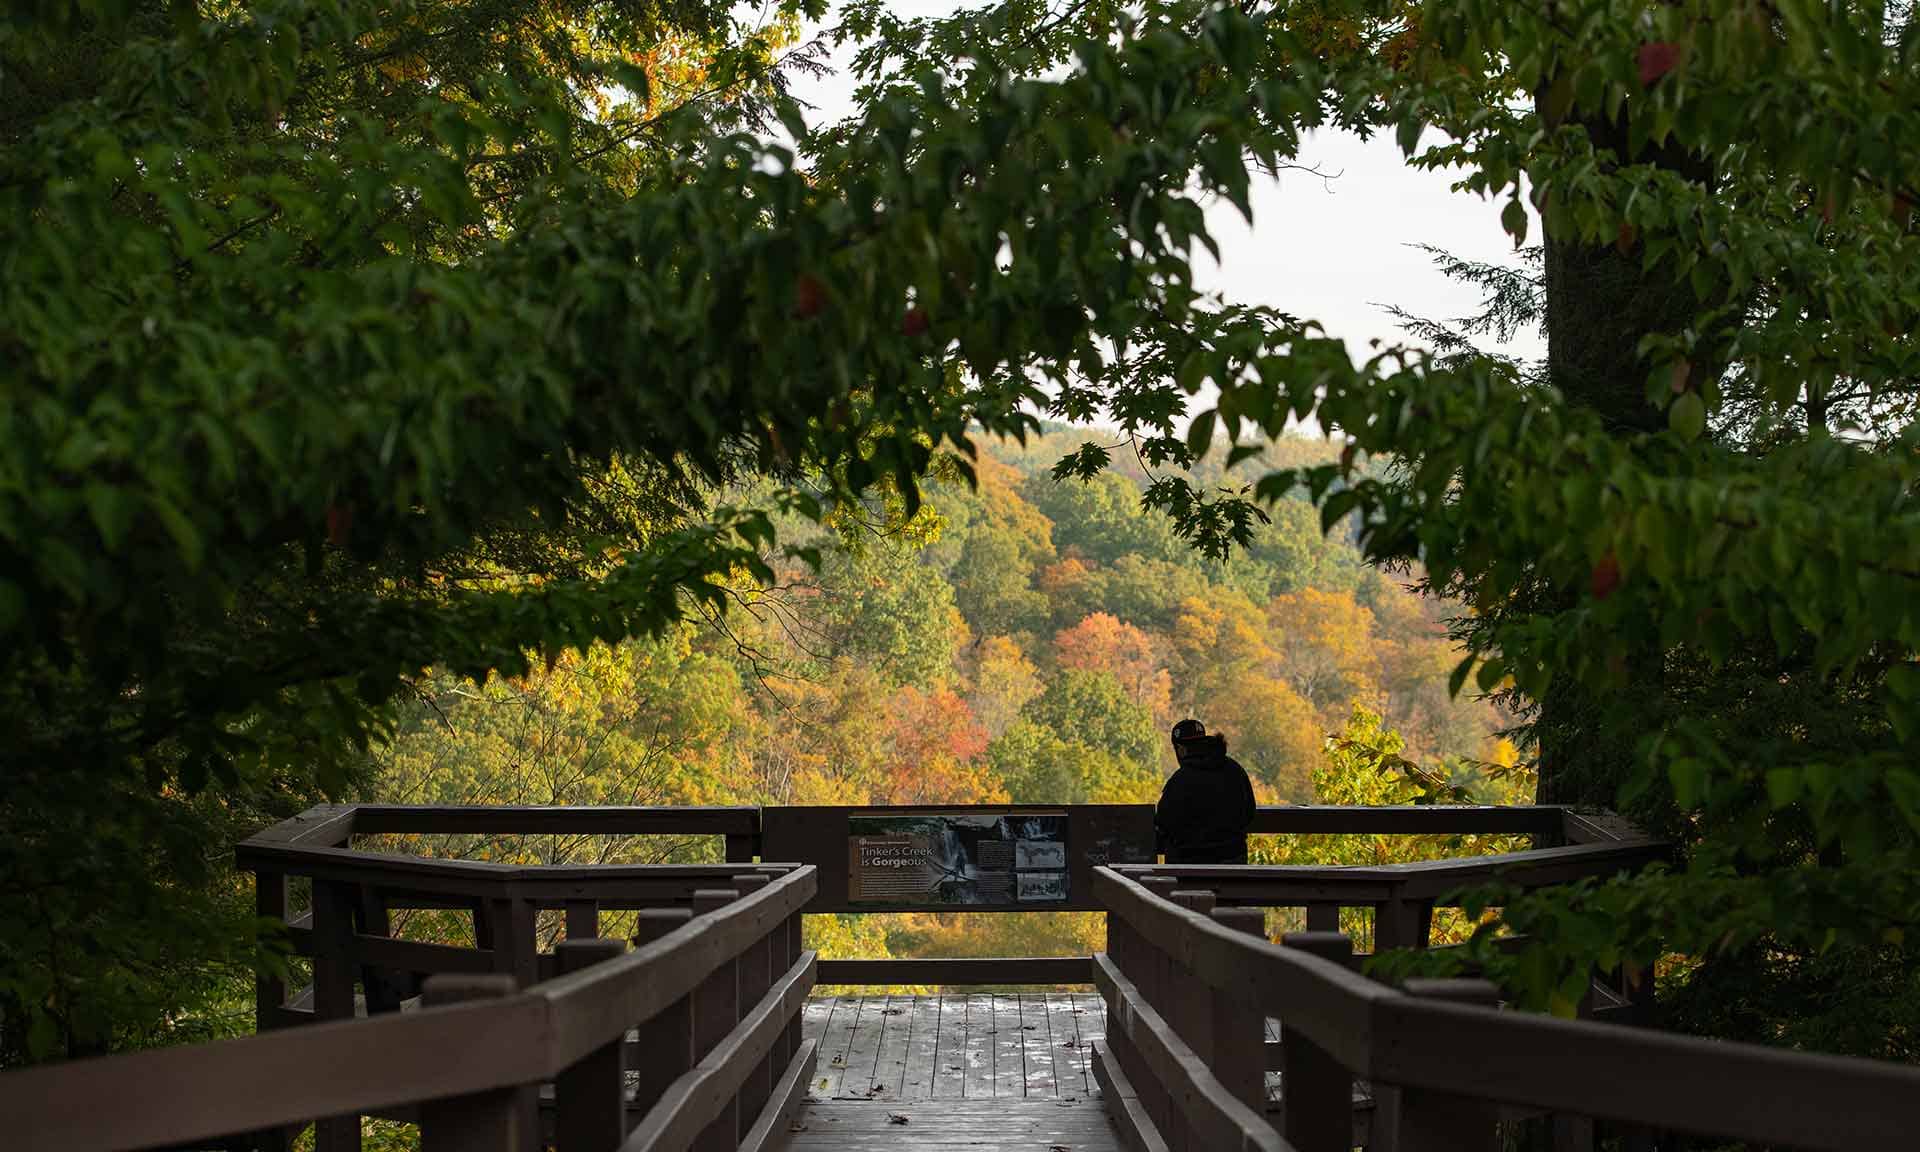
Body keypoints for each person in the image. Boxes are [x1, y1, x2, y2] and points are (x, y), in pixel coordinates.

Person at [1154, 719, 1256, 864]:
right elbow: (1249, 813)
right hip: (1233, 861)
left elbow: (1164, 822)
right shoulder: (1234, 771)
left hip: (1188, 867)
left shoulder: (1180, 780)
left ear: (1181, 750)